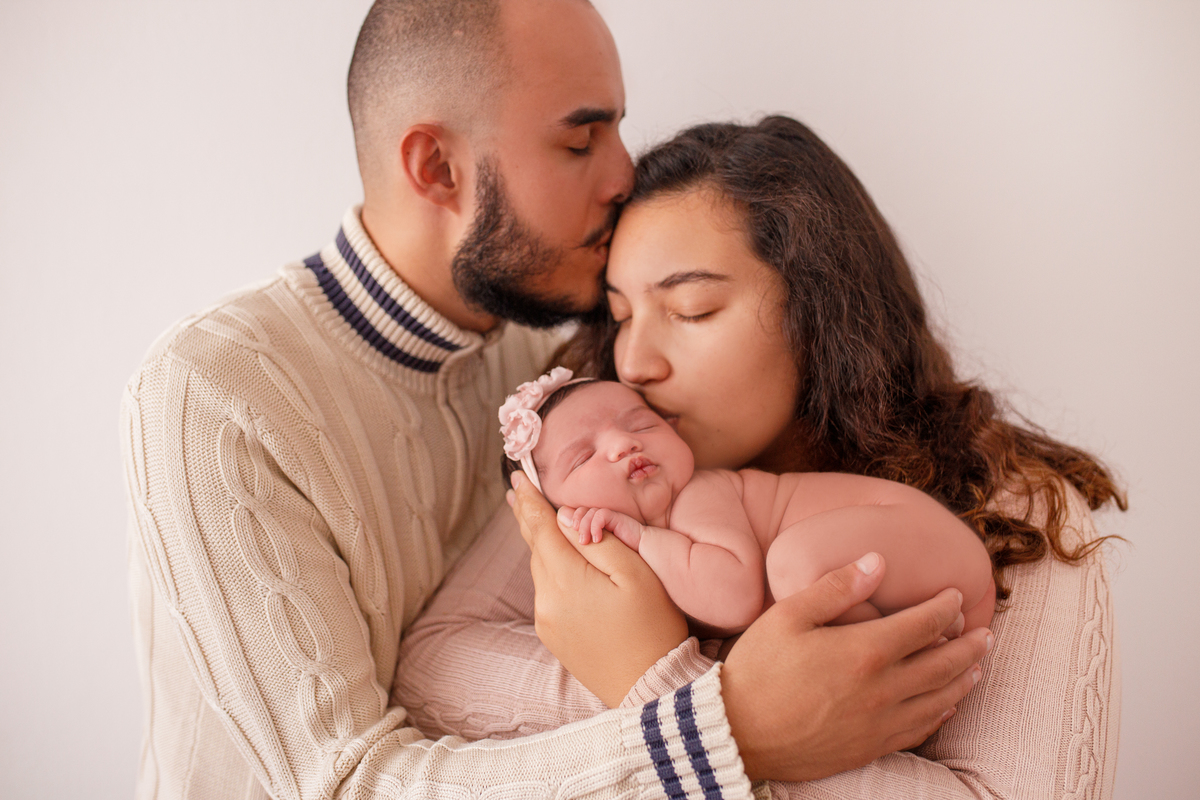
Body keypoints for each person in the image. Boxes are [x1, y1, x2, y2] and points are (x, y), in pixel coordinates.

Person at [120, 2, 990, 798]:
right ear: (437, 167)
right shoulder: (216, 396)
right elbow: (345, 782)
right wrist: (722, 728)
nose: (623, 175)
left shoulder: (571, 376)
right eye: (581, 142)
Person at [391, 116, 1125, 796]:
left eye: (691, 311)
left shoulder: (1022, 504)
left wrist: (667, 700)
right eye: (618, 317)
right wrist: (720, 720)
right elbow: (433, 670)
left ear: (820, 314)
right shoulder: (604, 459)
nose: (634, 362)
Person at [498, 372, 995, 635]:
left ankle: (900, 651)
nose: (623, 445)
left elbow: (733, 596)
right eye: (583, 456)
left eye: (640, 423)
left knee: (794, 563)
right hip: (914, 566)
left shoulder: (697, 496)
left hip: (923, 542)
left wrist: (641, 537)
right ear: (557, 513)